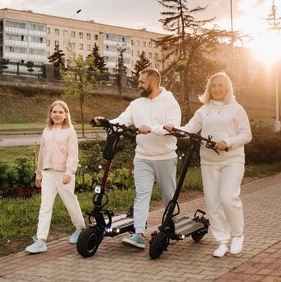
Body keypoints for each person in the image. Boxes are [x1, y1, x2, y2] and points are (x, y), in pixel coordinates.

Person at [165, 72, 251, 258]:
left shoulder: (237, 109)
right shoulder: (203, 110)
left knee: (227, 198)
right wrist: (174, 128)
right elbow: (189, 128)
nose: (217, 89)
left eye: (221, 85)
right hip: (209, 161)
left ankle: (237, 235)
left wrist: (228, 142)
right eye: (214, 86)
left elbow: (246, 135)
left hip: (232, 160)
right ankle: (222, 241)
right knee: (212, 203)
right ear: (209, 89)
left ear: (227, 88)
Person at [94, 68, 181, 249]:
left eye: (141, 82)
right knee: (141, 195)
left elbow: (173, 126)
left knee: (168, 196)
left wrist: (152, 128)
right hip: (142, 156)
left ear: (154, 83)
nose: (138, 85)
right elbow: (123, 120)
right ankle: (139, 234)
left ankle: (170, 228)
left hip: (165, 156)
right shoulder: (136, 104)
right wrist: (106, 121)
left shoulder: (170, 103)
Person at [25, 100, 85, 253]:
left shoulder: (70, 132)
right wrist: (38, 174)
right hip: (48, 173)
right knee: (45, 206)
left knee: (70, 201)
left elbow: (73, 154)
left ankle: (80, 228)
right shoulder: (47, 131)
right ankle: (41, 240)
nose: (57, 114)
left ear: (66, 115)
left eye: (60, 112)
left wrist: (69, 172)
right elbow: (42, 154)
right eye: (54, 112)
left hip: (63, 174)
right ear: (50, 114)